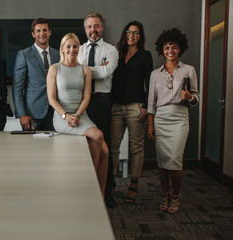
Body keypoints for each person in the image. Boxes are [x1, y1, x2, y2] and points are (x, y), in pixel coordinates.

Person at [47, 33, 109, 197]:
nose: (72, 49)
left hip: (82, 115)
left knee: (105, 153)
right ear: (62, 48)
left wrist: (77, 115)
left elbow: (86, 97)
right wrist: (66, 115)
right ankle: (91, 187)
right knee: (97, 135)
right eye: (68, 46)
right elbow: (51, 99)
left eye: (75, 46)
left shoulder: (85, 69)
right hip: (61, 117)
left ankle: (100, 197)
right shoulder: (54, 68)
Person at [147, 28, 199, 213]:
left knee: (175, 160)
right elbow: (151, 102)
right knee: (162, 161)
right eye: (167, 47)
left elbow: (196, 97)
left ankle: (176, 196)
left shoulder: (188, 70)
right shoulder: (155, 73)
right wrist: (150, 124)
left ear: (180, 49)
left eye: (174, 47)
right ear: (162, 49)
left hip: (179, 118)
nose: (170, 50)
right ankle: (165, 195)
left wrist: (189, 97)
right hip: (161, 118)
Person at [77, 11, 119, 208]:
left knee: (104, 147)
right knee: (81, 147)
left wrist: (84, 70)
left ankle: (107, 191)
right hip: (81, 103)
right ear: (85, 29)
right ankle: (84, 189)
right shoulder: (78, 49)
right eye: (89, 26)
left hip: (102, 102)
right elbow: (73, 72)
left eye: (96, 26)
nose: (93, 30)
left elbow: (106, 72)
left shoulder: (111, 50)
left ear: (102, 28)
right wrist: (95, 70)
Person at [111, 21, 153, 203]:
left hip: (136, 106)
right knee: (113, 148)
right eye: (129, 32)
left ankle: (133, 184)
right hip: (116, 106)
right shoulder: (117, 54)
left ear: (140, 36)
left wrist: (147, 106)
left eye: (135, 33)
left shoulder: (145, 55)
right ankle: (109, 184)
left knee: (136, 147)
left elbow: (150, 83)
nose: (131, 35)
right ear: (124, 34)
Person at [13, 17, 60, 131]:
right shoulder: (24, 55)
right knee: (32, 148)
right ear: (33, 34)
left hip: (56, 112)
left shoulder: (58, 54)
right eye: (38, 31)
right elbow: (17, 88)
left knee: (54, 147)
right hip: (33, 114)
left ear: (49, 32)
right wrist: (21, 114)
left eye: (44, 30)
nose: (42, 33)